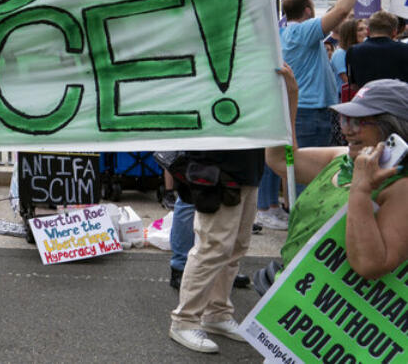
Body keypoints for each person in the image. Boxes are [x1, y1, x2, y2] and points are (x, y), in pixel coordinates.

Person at [168, 68, 283, 354]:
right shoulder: (213, 70)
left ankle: (216, 313)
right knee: (213, 247)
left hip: (246, 169)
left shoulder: (252, 70)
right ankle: (185, 320)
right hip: (219, 170)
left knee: (234, 248)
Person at [265, 76, 408, 285]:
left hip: (333, 311)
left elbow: (370, 265)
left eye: (359, 122)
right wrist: (288, 100)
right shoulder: (341, 158)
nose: (347, 130)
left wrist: (360, 191)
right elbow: (280, 160)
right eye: (345, 119)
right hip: (290, 298)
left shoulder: (401, 186)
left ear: (393, 129)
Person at [279, 0, 371, 149]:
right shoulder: (302, 31)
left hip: (305, 111)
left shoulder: (286, 33)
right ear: (307, 11)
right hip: (310, 113)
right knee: (310, 173)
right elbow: (341, 11)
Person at [345, 10, 408, 91]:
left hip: (366, 101)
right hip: (399, 100)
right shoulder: (405, 49)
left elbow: (353, 85)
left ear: (368, 31)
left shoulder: (353, 51)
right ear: (394, 32)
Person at [330, 18, 365, 102]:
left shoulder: (360, 52)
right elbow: (348, 81)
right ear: (350, 34)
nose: (365, 32)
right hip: (344, 99)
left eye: (365, 29)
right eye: (360, 30)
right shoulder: (340, 54)